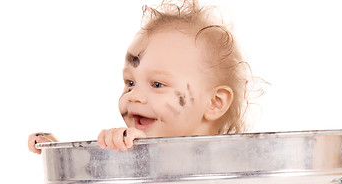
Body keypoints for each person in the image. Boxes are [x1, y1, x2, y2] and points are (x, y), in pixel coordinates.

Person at [28, 0, 251, 154]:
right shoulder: (128, 147)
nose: (134, 96)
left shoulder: (235, 164)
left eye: (157, 84)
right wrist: (57, 152)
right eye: (130, 83)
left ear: (214, 102)